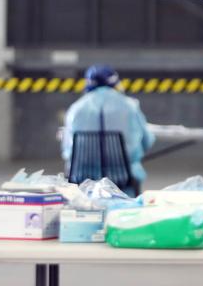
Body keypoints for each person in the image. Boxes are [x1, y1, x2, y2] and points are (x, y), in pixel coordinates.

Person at [61, 65, 155, 196]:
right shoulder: (129, 106)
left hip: (83, 179)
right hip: (123, 178)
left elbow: (67, 150)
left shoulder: (76, 109)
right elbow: (146, 140)